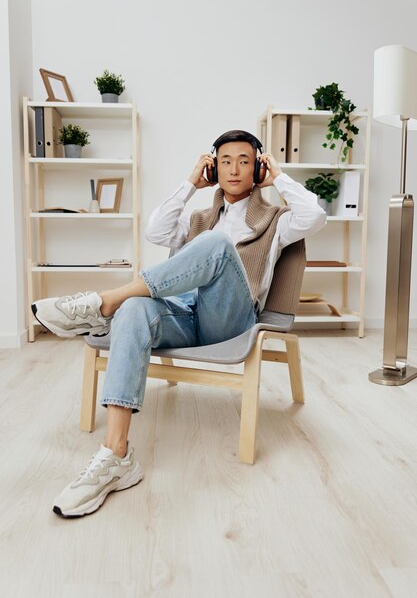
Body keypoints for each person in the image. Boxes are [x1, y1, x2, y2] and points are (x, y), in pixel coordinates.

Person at [32, 130, 326, 518]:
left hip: (230, 321)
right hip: (184, 316)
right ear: (213, 168)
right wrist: (190, 184)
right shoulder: (199, 217)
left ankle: (102, 303)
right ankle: (116, 455)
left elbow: (316, 215)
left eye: (244, 160)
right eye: (224, 161)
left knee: (216, 246)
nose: (234, 169)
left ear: (257, 166)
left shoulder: (277, 220)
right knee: (136, 310)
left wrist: (280, 177)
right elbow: (156, 230)